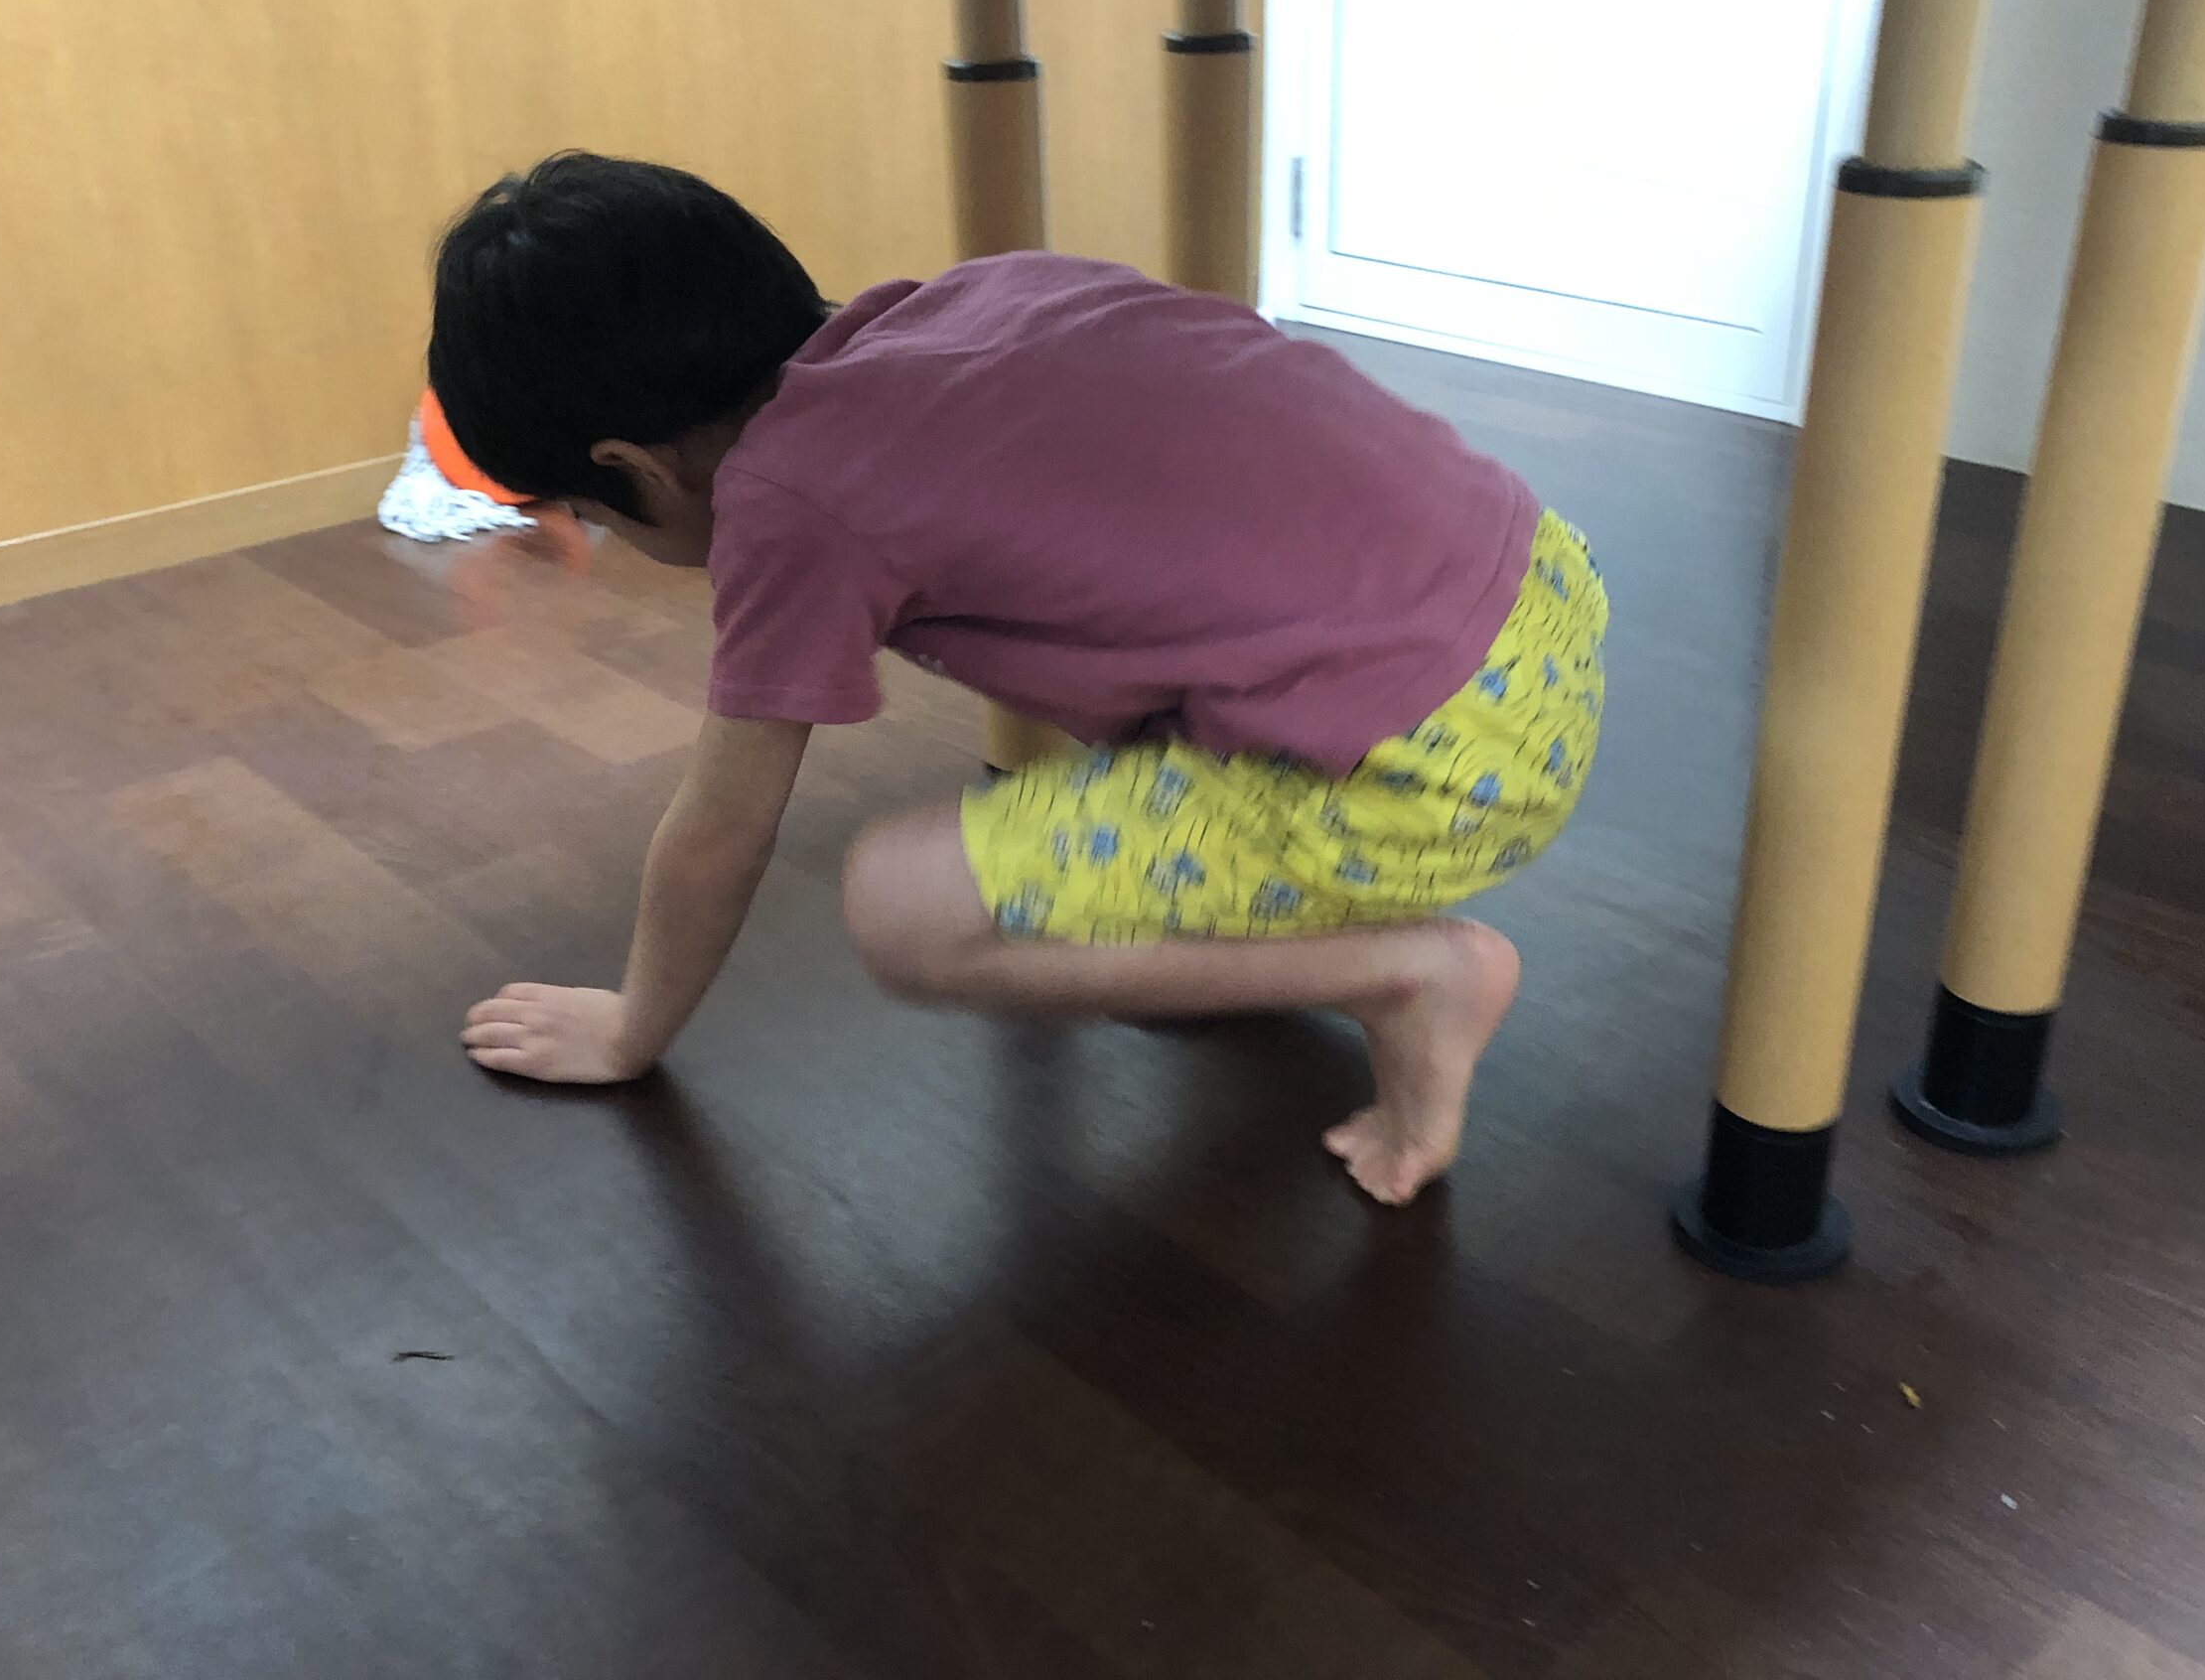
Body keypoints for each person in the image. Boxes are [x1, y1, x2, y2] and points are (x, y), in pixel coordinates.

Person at [430, 152, 1605, 1204]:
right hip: (1534, 590)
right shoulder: (977, 297)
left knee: (903, 905)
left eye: (591, 514)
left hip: (1443, 759)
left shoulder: (789, 504)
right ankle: (1264, 937)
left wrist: (630, 1028)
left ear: (632, 468)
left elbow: (722, 830)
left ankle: (1413, 976)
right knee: (1122, 752)